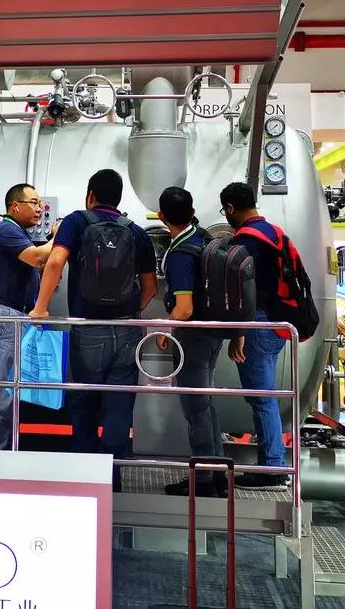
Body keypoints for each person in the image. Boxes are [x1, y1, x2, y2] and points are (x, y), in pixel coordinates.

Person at [30, 169, 157, 490]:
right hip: (127, 331)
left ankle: (84, 480)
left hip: (88, 329)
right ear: (118, 198)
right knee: (119, 405)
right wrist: (129, 312)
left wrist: (40, 308)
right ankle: (113, 481)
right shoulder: (136, 232)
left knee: (84, 402)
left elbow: (55, 261)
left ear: (90, 196)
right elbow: (150, 287)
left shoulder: (76, 222)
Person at [155, 186, 228, 498]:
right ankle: (218, 473)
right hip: (211, 334)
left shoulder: (181, 252)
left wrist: (164, 328)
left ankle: (204, 481)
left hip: (193, 339)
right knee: (206, 405)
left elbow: (184, 308)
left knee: (195, 409)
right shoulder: (205, 238)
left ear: (161, 216)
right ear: (193, 210)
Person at [0, 183, 60, 450]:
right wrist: (58, 238)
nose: (40, 209)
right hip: (5, 315)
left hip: (14, 315)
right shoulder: (5, 230)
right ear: (15, 206)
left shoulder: (19, 234)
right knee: (1, 392)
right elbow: (37, 258)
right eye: (34, 203)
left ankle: (5, 453)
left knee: (10, 391)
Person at [223, 181, 292, 490]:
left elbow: (244, 292)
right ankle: (271, 463)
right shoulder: (275, 233)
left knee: (261, 399)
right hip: (278, 324)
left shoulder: (246, 241)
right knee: (266, 397)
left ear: (230, 208)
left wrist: (239, 332)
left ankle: (272, 468)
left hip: (257, 325)